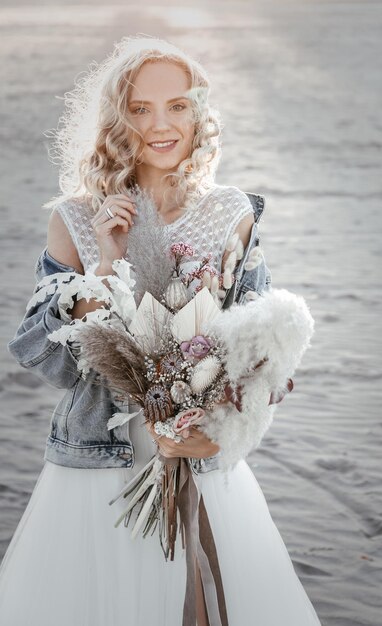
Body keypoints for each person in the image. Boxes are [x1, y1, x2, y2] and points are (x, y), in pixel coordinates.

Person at [0, 35, 321, 625]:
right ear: (119, 120)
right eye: (141, 108)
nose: (161, 124)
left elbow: (260, 362)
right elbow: (50, 361)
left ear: (199, 111)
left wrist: (218, 432)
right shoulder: (76, 215)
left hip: (200, 458)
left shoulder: (233, 214)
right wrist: (102, 265)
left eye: (177, 105)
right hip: (99, 464)